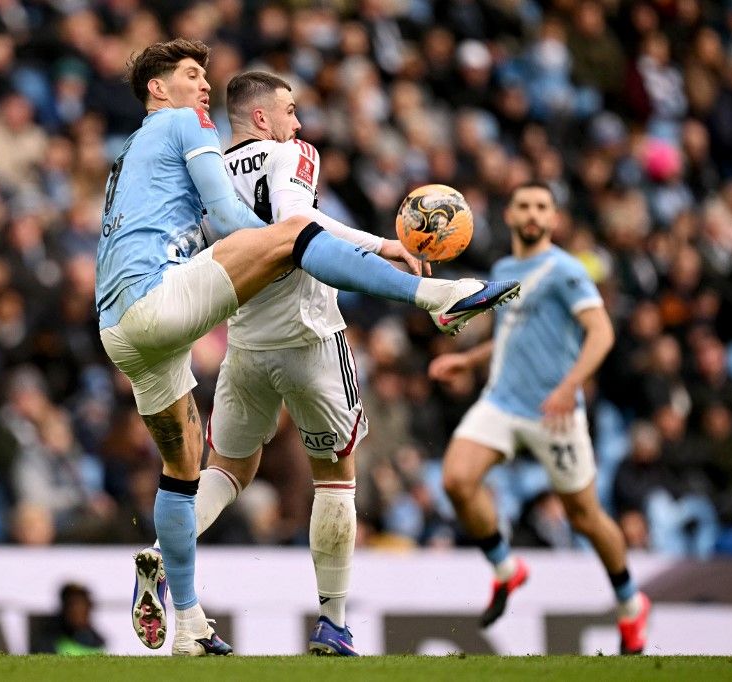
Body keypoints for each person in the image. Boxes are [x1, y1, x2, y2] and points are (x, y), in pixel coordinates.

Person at [97, 39, 519, 657]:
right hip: (286, 330)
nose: (204, 86)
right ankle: (436, 298)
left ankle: (183, 612)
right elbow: (270, 223)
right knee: (336, 477)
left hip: (136, 329)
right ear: (160, 90)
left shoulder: (134, 155)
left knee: (196, 470)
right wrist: (300, 243)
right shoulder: (207, 132)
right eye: (192, 75)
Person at [140, 71, 414, 656]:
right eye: (290, 110)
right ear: (263, 117)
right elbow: (299, 226)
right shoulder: (294, 154)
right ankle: (333, 624)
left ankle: (163, 557)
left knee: (229, 471)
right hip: (312, 335)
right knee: (336, 478)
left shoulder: (205, 172)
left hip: (245, 341)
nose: (298, 122)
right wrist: (382, 245)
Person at [429, 182, 651, 654]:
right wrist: (468, 362)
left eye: (542, 207)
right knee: (455, 479)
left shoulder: (566, 271)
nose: (533, 214)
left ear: (554, 219)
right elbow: (514, 331)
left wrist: (569, 386)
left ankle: (631, 604)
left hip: (556, 413)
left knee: (586, 517)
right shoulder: (506, 269)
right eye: (524, 205)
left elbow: (602, 333)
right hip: (503, 401)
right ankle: (508, 569)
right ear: (509, 215)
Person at [31, 583, 107, 655]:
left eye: (81, 605)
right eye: (72, 605)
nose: (76, 610)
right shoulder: (49, 642)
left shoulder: (98, 642)